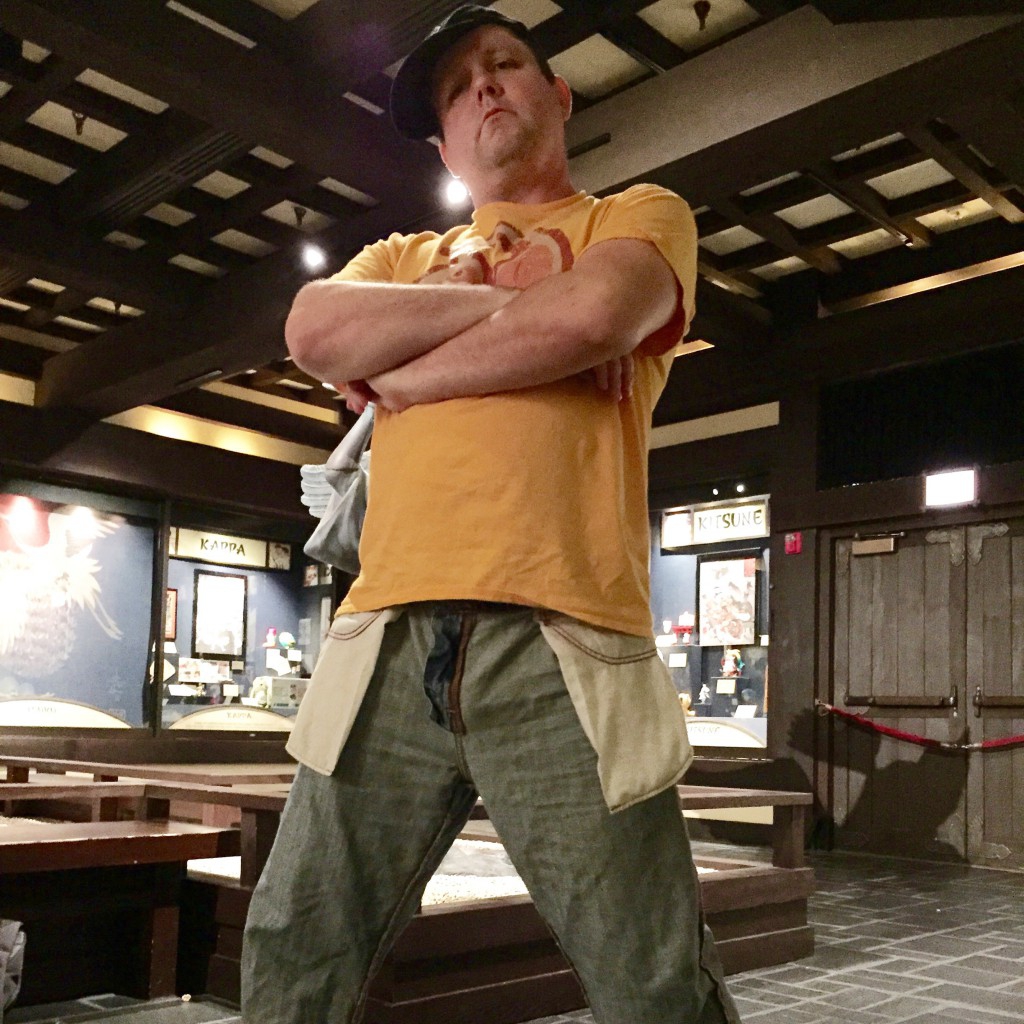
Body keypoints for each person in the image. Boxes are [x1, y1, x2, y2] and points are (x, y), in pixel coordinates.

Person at [242, 6, 742, 1023]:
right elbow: (314, 329)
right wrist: (511, 312)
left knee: (651, 979)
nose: (482, 87)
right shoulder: (400, 254)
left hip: (566, 640)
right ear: (443, 146)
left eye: (505, 64)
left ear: (557, 96)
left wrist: (402, 377)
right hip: (382, 639)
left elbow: (599, 312)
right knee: (295, 945)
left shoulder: (635, 216)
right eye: (456, 88)